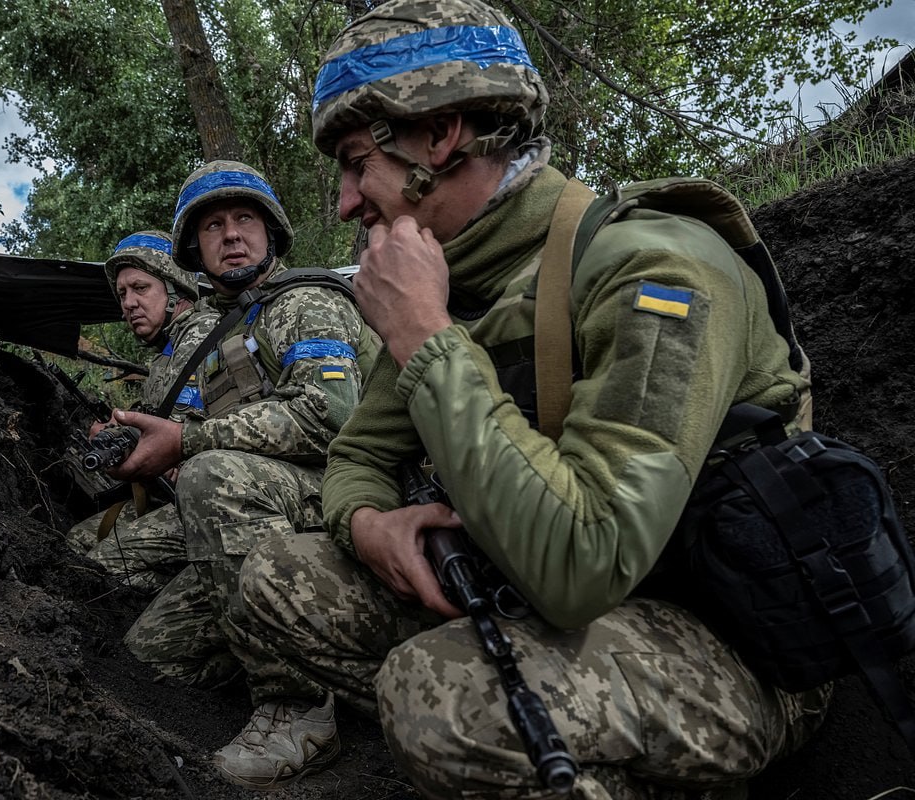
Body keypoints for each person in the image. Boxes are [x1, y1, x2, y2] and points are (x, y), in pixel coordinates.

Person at [237, 1, 831, 797]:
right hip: (532, 590)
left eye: (355, 162)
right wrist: (369, 523)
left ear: (439, 137)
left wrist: (426, 338)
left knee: (438, 699)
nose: (345, 202)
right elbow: (357, 457)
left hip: (734, 640)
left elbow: (585, 564)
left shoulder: (653, 268)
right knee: (278, 574)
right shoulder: (449, 274)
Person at [106, 160, 378, 785]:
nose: (230, 235)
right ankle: (328, 651)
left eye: (244, 220)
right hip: (275, 505)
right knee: (150, 654)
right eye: (213, 227)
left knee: (213, 477)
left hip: (349, 492)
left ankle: (297, 706)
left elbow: (332, 416)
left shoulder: (303, 302)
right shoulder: (237, 324)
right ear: (194, 251)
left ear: (271, 233)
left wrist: (189, 441)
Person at [64, 230, 214, 595]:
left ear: (175, 289)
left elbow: (185, 435)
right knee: (76, 542)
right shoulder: (168, 352)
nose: (128, 304)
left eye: (140, 288)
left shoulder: (202, 338)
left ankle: (203, 590)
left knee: (97, 570)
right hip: (168, 496)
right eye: (122, 294)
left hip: (208, 499)